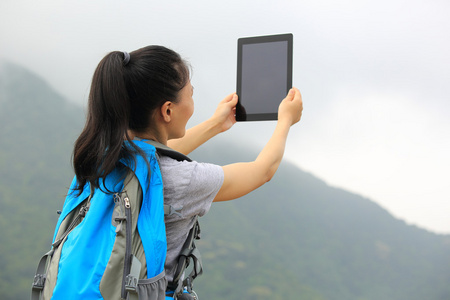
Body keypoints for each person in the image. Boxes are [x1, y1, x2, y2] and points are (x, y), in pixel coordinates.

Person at [72, 45, 303, 297]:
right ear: (168, 110)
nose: (193, 103)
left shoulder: (98, 159)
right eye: (191, 94)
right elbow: (262, 170)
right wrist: (286, 120)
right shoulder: (183, 180)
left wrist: (216, 124)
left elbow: (155, 152)